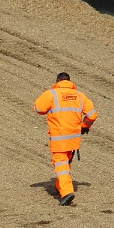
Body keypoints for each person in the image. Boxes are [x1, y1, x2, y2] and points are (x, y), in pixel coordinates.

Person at [34, 72, 97, 206]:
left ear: (57, 81)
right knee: (66, 163)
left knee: (61, 164)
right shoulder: (79, 95)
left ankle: (67, 192)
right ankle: (60, 185)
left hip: (59, 138)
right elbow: (92, 114)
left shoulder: (52, 94)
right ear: (70, 81)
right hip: (74, 138)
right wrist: (84, 126)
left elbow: (38, 108)